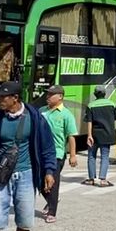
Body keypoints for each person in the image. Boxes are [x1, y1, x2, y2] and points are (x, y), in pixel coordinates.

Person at [0, 81, 56, 231]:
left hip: (26, 175)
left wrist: (49, 171)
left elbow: (47, 146)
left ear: (15, 98)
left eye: (2, 97)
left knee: (24, 221)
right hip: (2, 177)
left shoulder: (34, 116)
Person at [40, 85, 78, 223]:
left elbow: (71, 136)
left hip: (57, 154)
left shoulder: (66, 114)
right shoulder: (41, 111)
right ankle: (52, 199)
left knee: (52, 183)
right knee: (39, 181)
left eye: (51, 95)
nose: (47, 97)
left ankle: (52, 212)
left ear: (60, 97)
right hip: (41, 153)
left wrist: (72, 155)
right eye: (47, 94)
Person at [83, 86, 116, 187]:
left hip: (94, 135)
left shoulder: (91, 106)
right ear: (105, 94)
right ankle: (103, 180)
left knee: (91, 156)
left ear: (95, 94)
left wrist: (89, 135)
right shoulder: (111, 104)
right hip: (107, 134)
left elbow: (89, 121)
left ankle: (91, 179)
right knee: (105, 156)